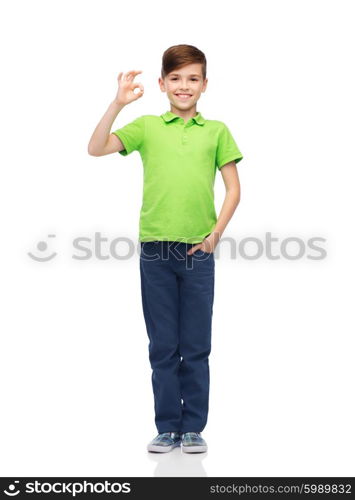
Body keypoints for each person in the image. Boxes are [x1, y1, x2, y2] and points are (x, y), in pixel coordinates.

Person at [88, 44, 243, 453]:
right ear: (162, 84)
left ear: (205, 84)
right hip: (156, 251)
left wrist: (214, 236)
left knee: (195, 345)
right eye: (175, 78)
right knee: (163, 345)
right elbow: (96, 147)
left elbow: (234, 190)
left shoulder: (216, 132)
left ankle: (192, 428)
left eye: (193, 78)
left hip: (198, 252)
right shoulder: (146, 127)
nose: (184, 86)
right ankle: (166, 427)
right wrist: (117, 103)